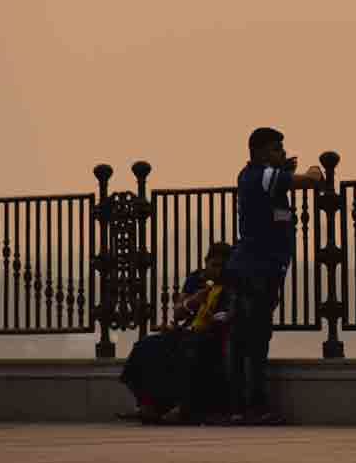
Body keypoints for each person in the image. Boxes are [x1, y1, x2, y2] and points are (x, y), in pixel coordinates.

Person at [223, 127, 324, 425]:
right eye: (277, 148)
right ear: (262, 152)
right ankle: (255, 407)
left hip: (248, 268)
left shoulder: (250, 176)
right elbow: (309, 181)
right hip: (257, 270)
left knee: (242, 340)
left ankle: (237, 408)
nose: (283, 152)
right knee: (255, 341)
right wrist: (315, 171)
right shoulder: (263, 174)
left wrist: (283, 170)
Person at [118, 241, 235, 425]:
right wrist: (193, 301)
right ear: (206, 262)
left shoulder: (230, 285)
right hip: (185, 332)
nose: (217, 270)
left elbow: (228, 317)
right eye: (214, 265)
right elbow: (178, 312)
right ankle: (148, 404)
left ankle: (185, 408)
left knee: (192, 349)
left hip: (209, 335)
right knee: (146, 346)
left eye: (222, 266)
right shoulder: (196, 279)